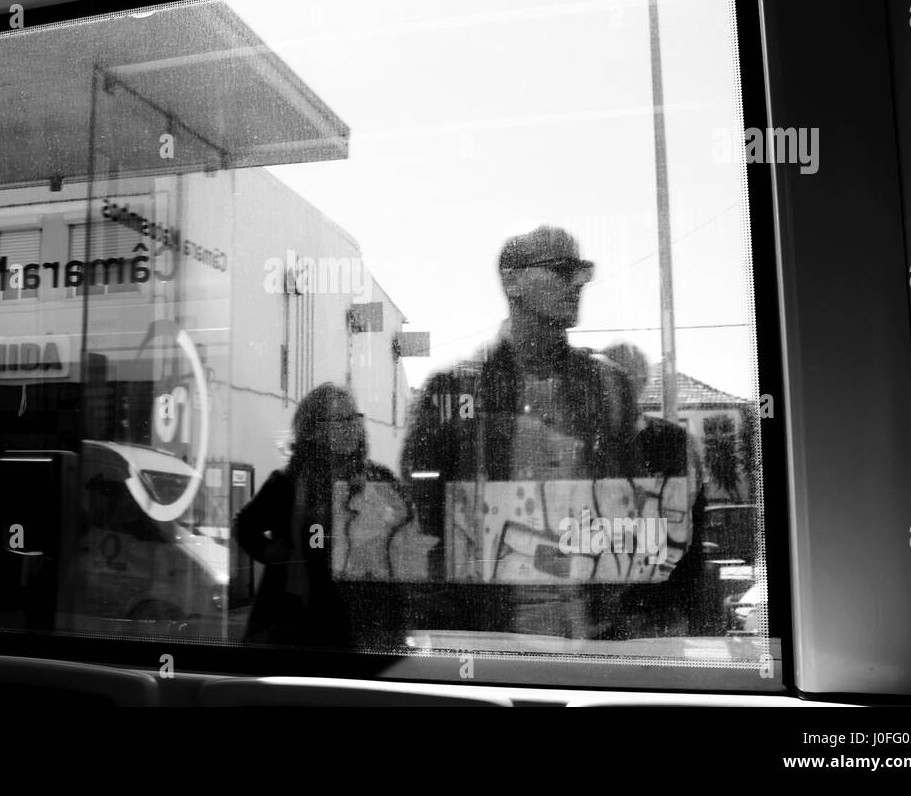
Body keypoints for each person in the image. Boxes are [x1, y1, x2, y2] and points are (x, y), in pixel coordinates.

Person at [400, 225, 699, 638]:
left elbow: (629, 507)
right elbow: (428, 519)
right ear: (512, 281)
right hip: (493, 631)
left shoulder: (607, 386)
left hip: (592, 626)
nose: (577, 283)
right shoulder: (455, 389)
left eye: (582, 272)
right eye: (561, 270)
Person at [233, 384, 406, 649]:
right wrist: (272, 553)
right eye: (340, 420)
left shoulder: (379, 480)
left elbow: (403, 538)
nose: (352, 427)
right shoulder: (287, 483)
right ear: (313, 430)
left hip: (361, 622)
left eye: (354, 418)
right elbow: (245, 526)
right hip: (297, 624)